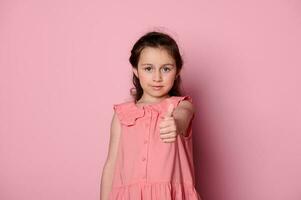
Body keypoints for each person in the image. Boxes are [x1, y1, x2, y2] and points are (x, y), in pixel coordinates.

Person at [100, 31, 202, 200]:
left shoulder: (181, 105)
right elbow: (111, 165)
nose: (157, 77)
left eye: (166, 69)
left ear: (178, 70)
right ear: (136, 70)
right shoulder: (122, 114)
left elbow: (184, 116)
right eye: (148, 68)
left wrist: (175, 123)